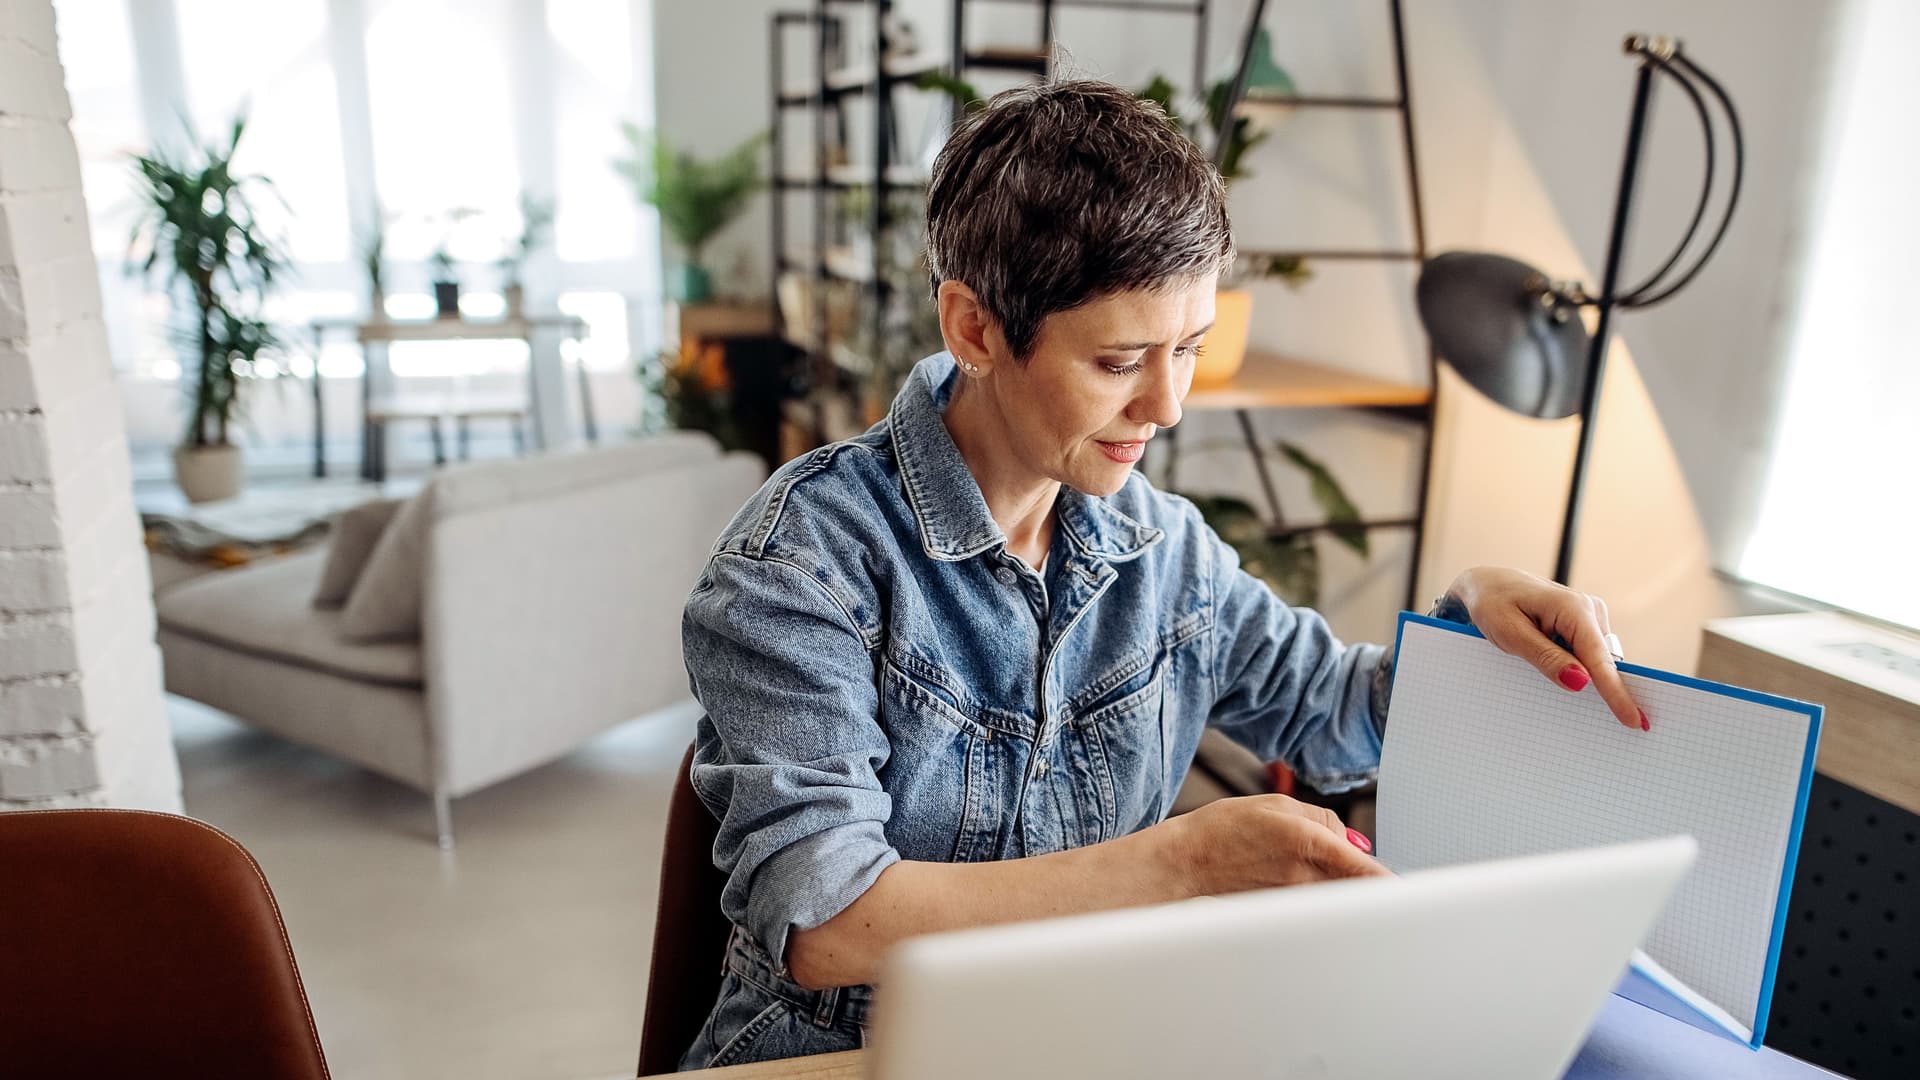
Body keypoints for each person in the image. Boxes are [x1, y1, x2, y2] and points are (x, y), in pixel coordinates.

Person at [675, 80, 1646, 1071]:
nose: (1170, 404)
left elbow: (1337, 718)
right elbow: (827, 924)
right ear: (972, 329)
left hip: (1094, 1040)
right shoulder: (800, 565)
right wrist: (1184, 863)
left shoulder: (1161, 547)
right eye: (1120, 360)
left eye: (1189, 349)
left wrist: (1469, 617)